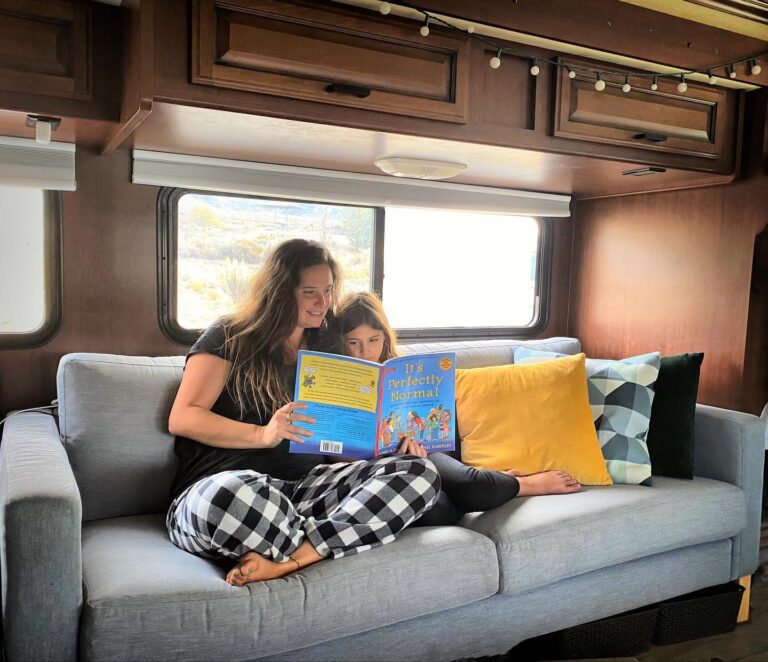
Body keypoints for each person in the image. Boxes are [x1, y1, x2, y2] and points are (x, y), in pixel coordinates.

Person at [166, 240, 441, 586]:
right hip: (225, 490)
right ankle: (332, 538)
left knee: (418, 471)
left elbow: (333, 443)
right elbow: (184, 416)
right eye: (310, 292)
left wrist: (383, 449)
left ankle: (291, 559)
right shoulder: (229, 336)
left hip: (304, 492)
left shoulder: (325, 345)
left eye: (327, 291)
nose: (323, 303)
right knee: (228, 498)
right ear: (280, 293)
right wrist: (264, 434)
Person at [336, 291, 581, 526]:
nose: (365, 351)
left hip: (428, 452)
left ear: (384, 338)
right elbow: (334, 456)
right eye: (354, 342)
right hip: (382, 470)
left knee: (473, 484)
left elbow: (442, 429)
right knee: (436, 511)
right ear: (341, 342)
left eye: (373, 340)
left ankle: (525, 485)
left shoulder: (402, 372)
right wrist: (396, 460)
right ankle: (495, 484)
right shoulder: (334, 380)